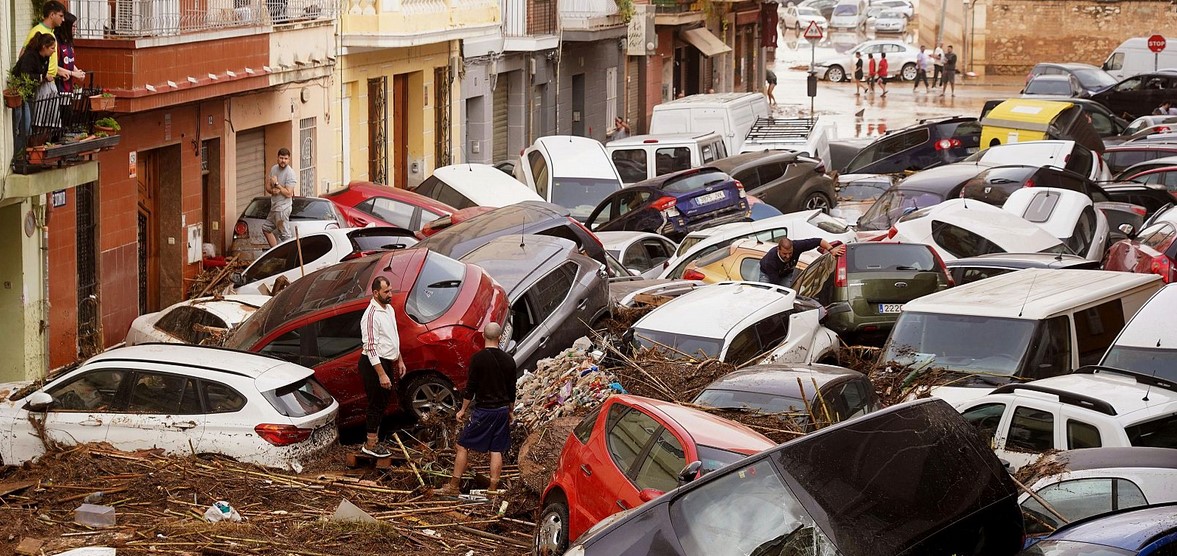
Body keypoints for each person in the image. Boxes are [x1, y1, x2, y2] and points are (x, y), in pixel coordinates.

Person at [435, 322, 517, 496]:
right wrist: (510, 410)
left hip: (484, 411)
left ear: (483, 337)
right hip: (501, 410)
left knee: (462, 445)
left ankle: (454, 485)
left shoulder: (477, 359)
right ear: (500, 337)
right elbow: (512, 390)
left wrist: (462, 410)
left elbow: (470, 389)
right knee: (496, 449)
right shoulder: (509, 360)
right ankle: (492, 489)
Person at [358, 275, 406, 458]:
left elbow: (393, 336)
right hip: (373, 364)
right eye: (386, 292)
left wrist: (399, 359)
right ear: (376, 292)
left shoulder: (389, 309)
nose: (390, 294)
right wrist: (381, 374)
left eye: (390, 290)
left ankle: (376, 438)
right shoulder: (370, 316)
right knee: (376, 403)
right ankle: (370, 444)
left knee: (384, 401)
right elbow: (370, 348)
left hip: (387, 361)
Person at [11, 33, 56, 162]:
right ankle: (17, 155)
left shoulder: (45, 59)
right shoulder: (30, 56)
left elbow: (42, 72)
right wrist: (42, 77)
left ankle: (19, 154)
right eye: (52, 48)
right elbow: (25, 74)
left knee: (28, 127)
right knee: (22, 125)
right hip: (21, 92)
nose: (53, 52)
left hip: (31, 93)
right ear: (44, 47)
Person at [759, 237, 846, 287]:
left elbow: (819, 241)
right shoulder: (770, 261)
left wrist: (831, 250)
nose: (788, 256)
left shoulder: (798, 245)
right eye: (784, 254)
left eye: (790, 253)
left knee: (785, 293)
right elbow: (775, 285)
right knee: (767, 294)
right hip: (767, 274)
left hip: (786, 273)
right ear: (778, 249)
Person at [262, 147, 297, 247]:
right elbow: (268, 186)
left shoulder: (290, 173)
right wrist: (272, 190)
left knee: (286, 236)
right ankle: (276, 254)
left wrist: (277, 184)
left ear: (289, 160)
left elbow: (289, 193)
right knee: (266, 229)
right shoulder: (274, 169)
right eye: (281, 158)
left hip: (283, 208)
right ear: (277, 158)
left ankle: (290, 257)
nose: (283, 161)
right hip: (274, 207)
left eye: (286, 159)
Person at [54, 12, 85, 94]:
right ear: (67, 27)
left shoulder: (69, 42)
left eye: (76, 26)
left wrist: (78, 72)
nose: (75, 29)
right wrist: (73, 73)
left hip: (68, 87)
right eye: (73, 26)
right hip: (59, 86)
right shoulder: (56, 42)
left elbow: (69, 60)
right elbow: (54, 66)